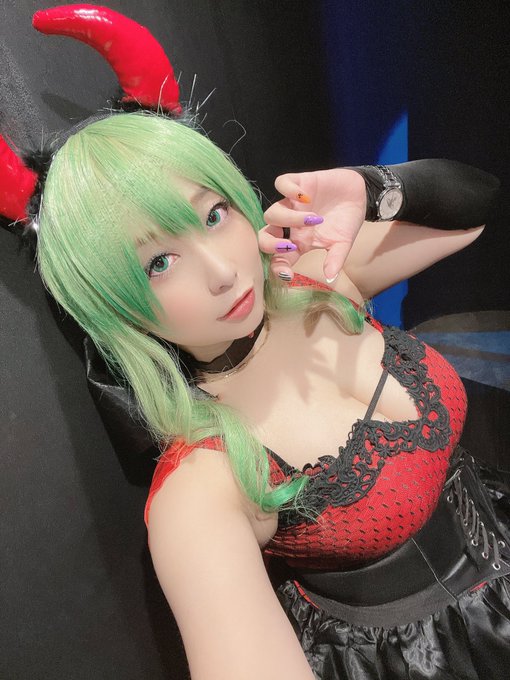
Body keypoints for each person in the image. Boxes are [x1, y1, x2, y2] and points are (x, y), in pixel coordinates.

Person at [3, 6, 508, 680]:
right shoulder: (202, 489)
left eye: (213, 214)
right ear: (111, 303)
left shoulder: (315, 277)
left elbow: (473, 207)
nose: (222, 270)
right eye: (159, 263)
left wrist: (371, 187)